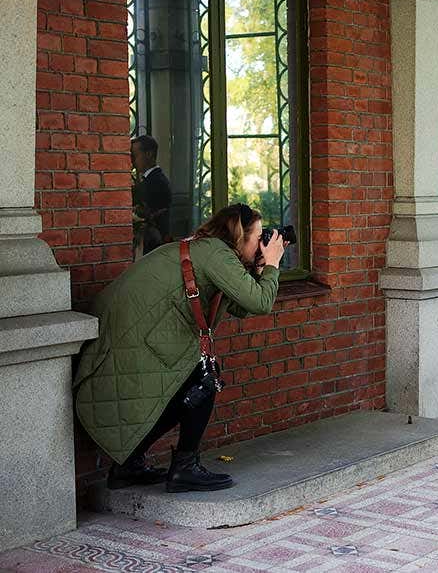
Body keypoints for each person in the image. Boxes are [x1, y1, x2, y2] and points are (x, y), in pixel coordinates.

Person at [74, 203, 286, 492]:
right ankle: (183, 468)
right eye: (259, 237)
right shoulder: (216, 253)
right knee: (204, 379)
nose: (263, 244)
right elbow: (260, 303)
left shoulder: (209, 250)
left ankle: (130, 464)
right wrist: (272, 265)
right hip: (132, 340)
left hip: (137, 337)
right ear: (240, 236)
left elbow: (241, 306)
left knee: (184, 390)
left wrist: (260, 269)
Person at [131, 135, 172, 255]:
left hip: (155, 246)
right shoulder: (151, 180)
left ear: (148, 154)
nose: (133, 161)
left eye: (135, 156)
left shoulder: (156, 182)